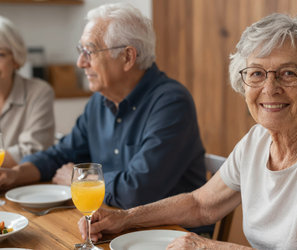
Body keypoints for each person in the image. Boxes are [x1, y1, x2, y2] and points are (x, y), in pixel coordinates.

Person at [78, 13, 297, 249]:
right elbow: (200, 205)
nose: (270, 88)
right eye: (257, 73)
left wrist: (209, 246)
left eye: (289, 73)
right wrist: (126, 218)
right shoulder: (257, 140)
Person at [0, 3, 207, 214]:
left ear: (127, 57)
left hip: (173, 233)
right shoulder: (99, 102)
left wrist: (79, 178)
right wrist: (15, 174)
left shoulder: (171, 103)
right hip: (117, 222)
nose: (80, 63)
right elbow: (60, 155)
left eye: (89, 52)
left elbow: (136, 192)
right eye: (81, 51)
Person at [0, 16, 55, 168]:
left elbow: (33, 150)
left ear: (16, 59)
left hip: (21, 186)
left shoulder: (39, 92)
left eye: (1, 55)